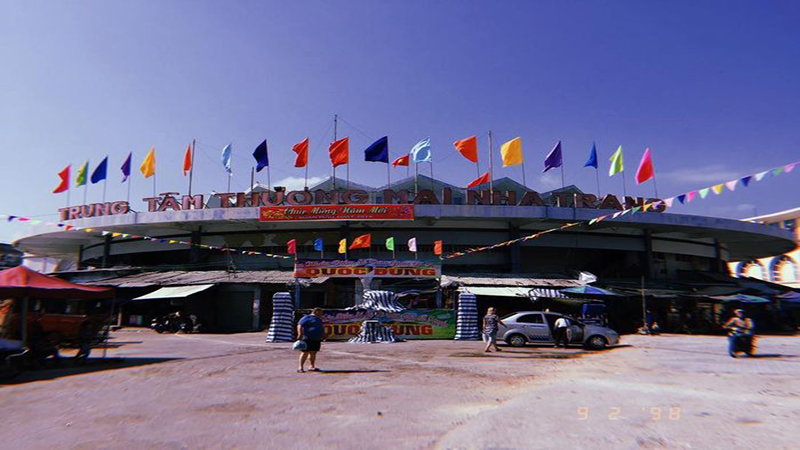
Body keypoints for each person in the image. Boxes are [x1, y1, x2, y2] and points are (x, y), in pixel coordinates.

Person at [297, 307, 326, 372]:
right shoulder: (306, 318)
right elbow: (300, 325)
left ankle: (312, 366)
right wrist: (300, 334)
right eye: (321, 313)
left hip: (316, 338)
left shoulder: (319, 319)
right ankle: (300, 367)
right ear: (316, 312)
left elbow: (321, 327)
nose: (322, 314)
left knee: (313, 352)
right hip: (307, 338)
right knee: (305, 352)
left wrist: (323, 335)